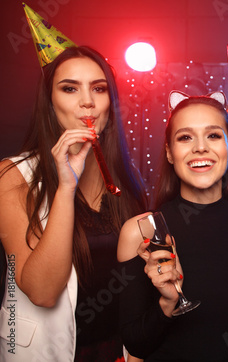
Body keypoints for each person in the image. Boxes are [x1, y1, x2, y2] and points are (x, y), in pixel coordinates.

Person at [0, 45, 147, 361]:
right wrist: (66, 189)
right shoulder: (13, 174)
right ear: (50, 103)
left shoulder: (125, 178)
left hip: (119, 352)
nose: (88, 102)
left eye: (99, 88)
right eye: (70, 88)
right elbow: (42, 291)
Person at [118, 91, 228, 361]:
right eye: (185, 137)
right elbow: (135, 344)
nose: (200, 147)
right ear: (169, 153)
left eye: (213, 135)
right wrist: (168, 303)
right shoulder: (140, 231)